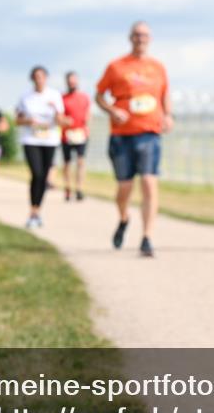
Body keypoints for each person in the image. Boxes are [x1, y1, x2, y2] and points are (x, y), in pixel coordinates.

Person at [95, 21, 173, 258]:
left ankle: (147, 237)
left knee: (149, 182)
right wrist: (112, 111)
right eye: (137, 35)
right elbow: (99, 96)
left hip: (149, 133)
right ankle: (123, 218)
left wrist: (168, 115)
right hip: (121, 136)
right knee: (125, 188)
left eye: (145, 35)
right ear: (130, 38)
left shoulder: (158, 67)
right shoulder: (116, 66)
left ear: (150, 39)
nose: (141, 38)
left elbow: (165, 94)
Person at [15, 66, 68, 228]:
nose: (39, 79)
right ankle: (32, 210)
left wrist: (58, 116)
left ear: (46, 78)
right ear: (32, 78)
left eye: (42, 76)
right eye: (36, 76)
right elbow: (17, 120)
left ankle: (37, 211)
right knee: (36, 174)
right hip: (31, 139)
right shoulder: (25, 97)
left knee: (43, 177)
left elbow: (61, 119)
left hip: (49, 139)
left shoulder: (54, 95)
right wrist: (29, 121)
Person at [61, 71, 91, 201]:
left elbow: (88, 113)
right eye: (70, 81)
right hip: (66, 134)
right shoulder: (62, 98)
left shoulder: (84, 97)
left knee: (80, 161)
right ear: (67, 82)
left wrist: (87, 126)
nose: (72, 83)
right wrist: (64, 120)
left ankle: (79, 189)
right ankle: (68, 188)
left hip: (81, 134)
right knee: (67, 162)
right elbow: (59, 115)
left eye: (74, 81)